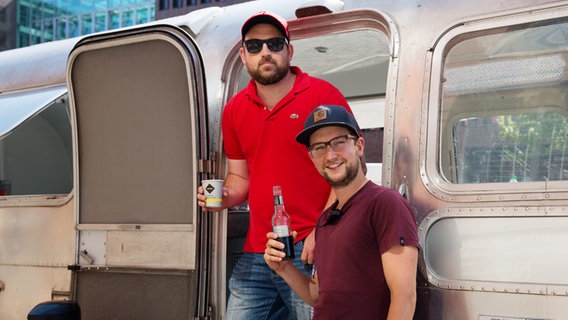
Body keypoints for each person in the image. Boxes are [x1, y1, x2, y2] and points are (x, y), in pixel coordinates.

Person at [196, 11, 351, 320]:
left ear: (288, 51)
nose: (264, 52)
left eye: (274, 43)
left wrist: (323, 231)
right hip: (260, 251)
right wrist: (224, 197)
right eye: (254, 46)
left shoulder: (323, 96)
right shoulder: (234, 110)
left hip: (311, 247)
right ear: (243, 55)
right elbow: (240, 177)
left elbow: (348, 172)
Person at [264, 105, 419, 319]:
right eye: (319, 148)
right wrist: (283, 268)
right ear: (311, 158)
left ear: (359, 146)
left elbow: (404, 296)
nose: (330, 155)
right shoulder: (326, 219)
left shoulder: (385, 203)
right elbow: (318, 296)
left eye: (339, 143)